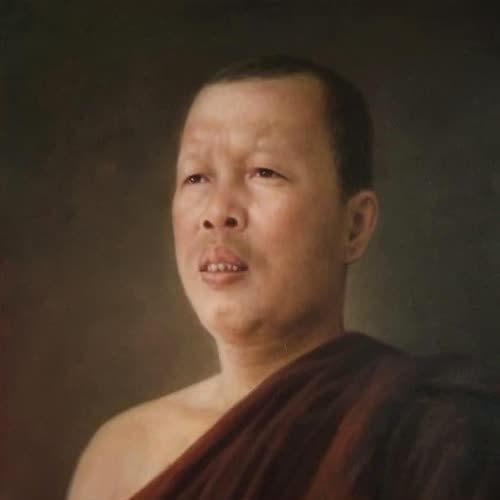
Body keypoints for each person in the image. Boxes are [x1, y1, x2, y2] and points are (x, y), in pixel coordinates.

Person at [67, 55, 500, 500]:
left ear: (354, 226)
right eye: (196, 177)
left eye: (264, 172)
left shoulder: (430, 434)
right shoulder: (118, 458)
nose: (218, 212)